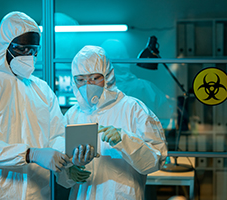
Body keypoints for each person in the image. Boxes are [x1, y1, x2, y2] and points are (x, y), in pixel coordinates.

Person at [0, 11, 93, 200]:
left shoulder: (41, 90)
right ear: (4, 45)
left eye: (34, 51)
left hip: (37, 193)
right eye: (23, 49)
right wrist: (30, 154)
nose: (29, 56)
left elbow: (56, 136)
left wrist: (68, 159)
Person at [64, 45, 168, 200]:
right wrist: (69, 171)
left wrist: (125, 140)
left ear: (108, 76)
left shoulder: (134, 109)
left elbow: (155, 162)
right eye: (80, 79)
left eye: (94, 78)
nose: (87, 85)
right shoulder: (72, 114)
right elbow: (60, 161)